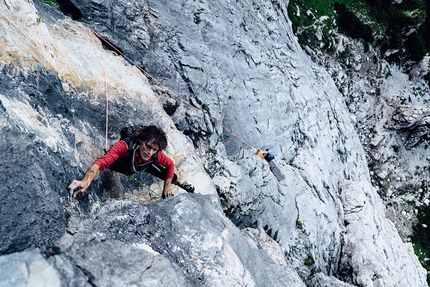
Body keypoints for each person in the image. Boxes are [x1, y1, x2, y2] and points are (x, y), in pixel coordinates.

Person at [68, 125, 194, 199]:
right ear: (140, 140)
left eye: (154, 149)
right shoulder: (124, 146)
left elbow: (170, 164)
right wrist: (86, 181)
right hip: (121, 164)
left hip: (143, 166)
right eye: (148, 146)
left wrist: (167, 188)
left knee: (167, 174)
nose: (150, 152)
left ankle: (180, 183)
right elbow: (101, 163)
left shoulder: (155, 154)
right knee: (108, 160)